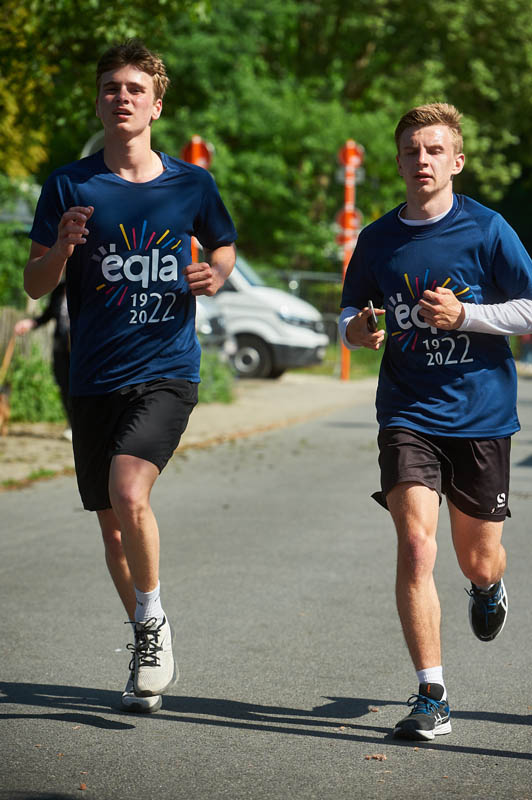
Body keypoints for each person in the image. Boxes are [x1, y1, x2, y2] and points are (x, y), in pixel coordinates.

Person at [24, 40, 237, 713]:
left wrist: (216, 274)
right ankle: (149, 628)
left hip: (166, 370)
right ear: (99, 101)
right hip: (92, 376)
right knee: (112, 525)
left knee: (128, 489)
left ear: (156, 105)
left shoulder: (191, 184)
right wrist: (61, 248)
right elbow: (34, 285)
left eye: (135, 89)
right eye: (111, 88)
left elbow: (224, 246)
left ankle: (149, 626)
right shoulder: (69, 185)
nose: (122, 97)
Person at [339, 103, 532, 741]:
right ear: (398, 162)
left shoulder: (488, 229)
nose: (421, 160)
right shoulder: (378, 239)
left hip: (481, 415)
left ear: (456, 161)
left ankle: (488, 587)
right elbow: (348, 312)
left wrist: (466, 316)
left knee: (478, 558)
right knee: (417, 546)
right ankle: (432, 694)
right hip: (407, 410)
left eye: (434, 150)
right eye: (411, 151)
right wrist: (355, 331)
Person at [14, 280, 72, 440]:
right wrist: (30, 323)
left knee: (80, 386)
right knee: (64, 385)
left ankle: (84, 425)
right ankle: (71, 424)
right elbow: (48, 315)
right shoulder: (59, 290)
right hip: (61, 348)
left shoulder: (87, 286)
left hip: (81, 349)